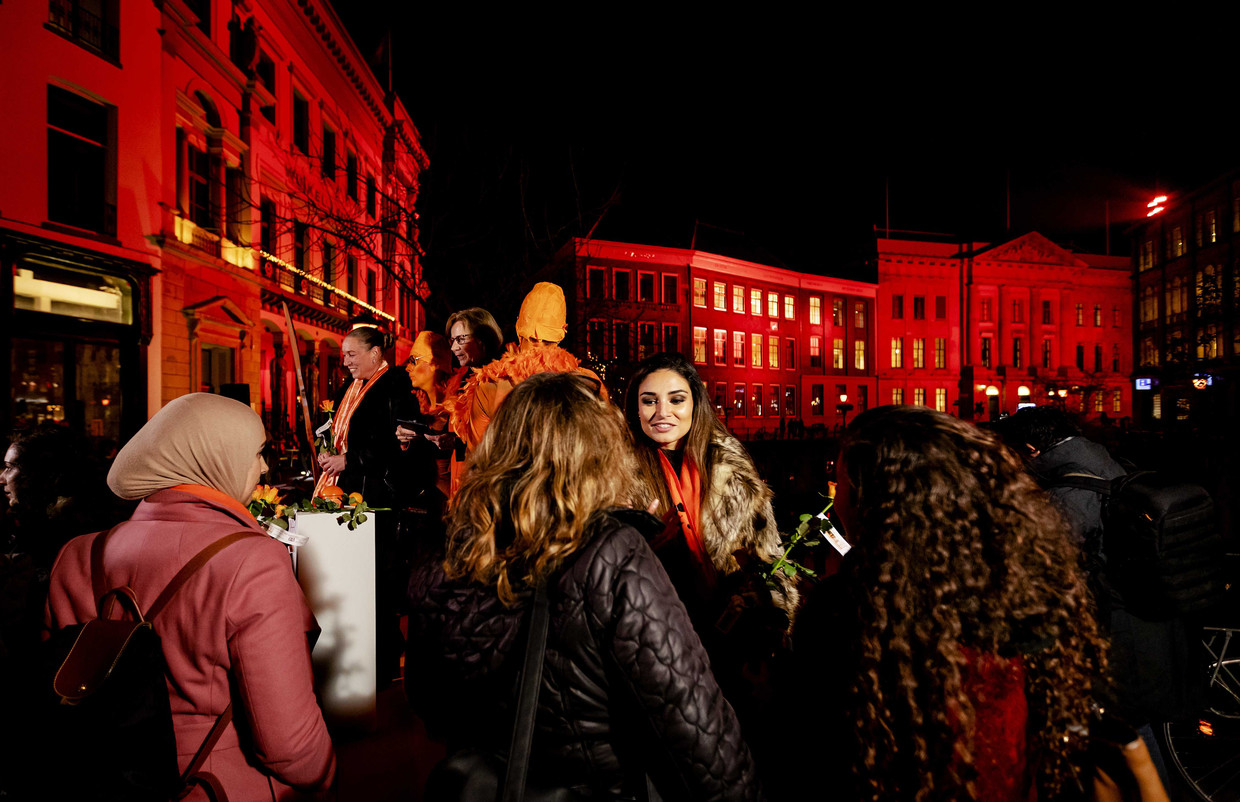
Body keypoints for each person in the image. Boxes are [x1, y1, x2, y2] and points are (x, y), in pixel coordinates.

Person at [407, 373, 760, 800]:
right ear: (599, 451)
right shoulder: (611, 554)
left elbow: (429, 702)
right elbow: (694, 729)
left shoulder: (447, 550)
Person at [793, 405, 1106, 801]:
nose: (836, 502)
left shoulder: (848, 608)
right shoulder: (1021, 581)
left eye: (841, 484)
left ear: (872, 499)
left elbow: (814, 747)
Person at [44, 393, 335, 801]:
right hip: (210, 786)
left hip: (94, 779)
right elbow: (290, 745)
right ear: (217, 458)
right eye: (256, 453)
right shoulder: (252, 561)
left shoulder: (78, 554)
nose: (266, 466)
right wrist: (325, 776)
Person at [997, 405, 1190, 791]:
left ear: (1032, 449)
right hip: (1148, 620)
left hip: (1115, 633)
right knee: (1129, 734)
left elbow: (1048, 571)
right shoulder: (1107, 463)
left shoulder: (1067, 493)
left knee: (1125, 738)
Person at [623, 353, 797, 643]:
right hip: (661, 637)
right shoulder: (618, 475)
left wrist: (761, 607)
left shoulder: (731, 465)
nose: (662, 412)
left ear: (695, 404)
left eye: (676, 400)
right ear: (636, 409)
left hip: (736, 640)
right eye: (649, 401)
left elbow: (769, 557)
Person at [446, 283, 606, 463]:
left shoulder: (587, 384)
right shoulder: (491, 387)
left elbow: (604, 451)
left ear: (562, 334)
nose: (539, 348)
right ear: (518, 328)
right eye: (532, 339)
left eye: (547, 341)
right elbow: (478, 463)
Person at [314, 325, 412, 507]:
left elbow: (396, 445)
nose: (345, 362)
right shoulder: (348, 388)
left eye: (352, 355)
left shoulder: (395, 387)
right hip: (344, 488)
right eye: (345, 355)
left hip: (377, 494)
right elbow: (334, 429)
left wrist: (347, 460)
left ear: (374, 353)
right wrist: (327, 451)